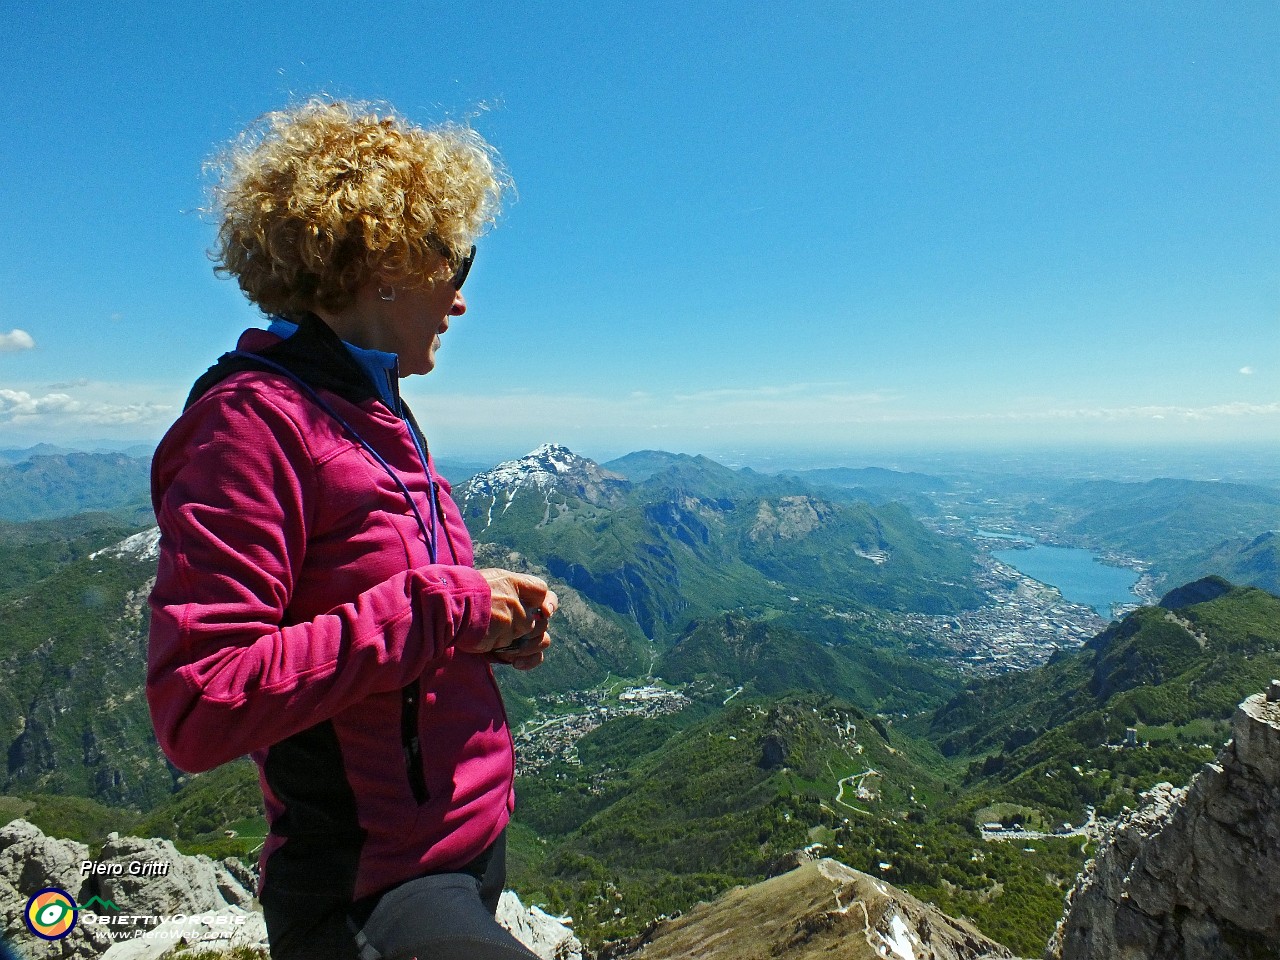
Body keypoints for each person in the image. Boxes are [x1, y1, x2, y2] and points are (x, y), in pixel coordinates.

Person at [147, 98, 555, 960]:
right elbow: (200, 701)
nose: (462, 298)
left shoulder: (376, 414)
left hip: (465, 850)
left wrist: (486, 630)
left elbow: (380, 623)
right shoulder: (252, 424)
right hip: (371, 886)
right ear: (387, 259)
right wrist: (446, 609)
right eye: (458, 259)